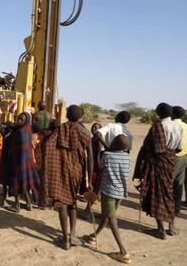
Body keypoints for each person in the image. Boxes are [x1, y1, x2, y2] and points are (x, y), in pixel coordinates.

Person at [43, 105, 93, 250]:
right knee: (72, 202)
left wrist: (52, 164)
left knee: (62, 203)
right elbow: (90, 158)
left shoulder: (59, 129)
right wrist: (89, 179)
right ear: (80, 117)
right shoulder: (85, 132)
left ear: (66, 115)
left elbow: (47, 146)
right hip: (76, 171)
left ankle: (65, 239)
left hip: (60, 170)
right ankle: (72, 235)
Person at [133, 103, 183, 240]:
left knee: (156, 193)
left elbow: (147, 146)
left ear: (157, 113)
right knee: (169, 192)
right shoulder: (178, 127)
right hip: (170, 162)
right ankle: (171, 227)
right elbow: (179, 148)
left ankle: (161, 230)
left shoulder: (156, 127)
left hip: (157, 164)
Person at [85, 135, 131, 264]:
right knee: (107, 215)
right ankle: (94, 236)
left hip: (109, 192)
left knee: (111, 219)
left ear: (114, 144)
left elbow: (100, 172)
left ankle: (123, 252)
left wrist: (95, 191)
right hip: (120, 193)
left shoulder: (107, 156)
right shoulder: (127, 157)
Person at [0, 112, 40, 212]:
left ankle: (17, 205)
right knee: (25, 185)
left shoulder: (19, 133)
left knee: (16, 184)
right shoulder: (27, 130)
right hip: (27, 163)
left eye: (21, 119)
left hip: (17, 163)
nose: (19, 121)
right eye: (18, 119)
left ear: (26, 121)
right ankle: (29, 204)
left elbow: (14, 148)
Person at [80, 122, 103, 219]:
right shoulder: (92, 138)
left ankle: (88, 210)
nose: (93, 129)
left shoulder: (97, 139)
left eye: (96, 127)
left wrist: (96, 165)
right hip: (91, 165)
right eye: (93, 127)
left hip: (94, 166)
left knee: (92, 187)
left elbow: (97, 153)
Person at [172, 106, 187, 214]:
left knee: (167, 183)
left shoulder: (168, 126)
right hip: (184, 158)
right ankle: (176, 208)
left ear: (172, 114)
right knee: (179, 183)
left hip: (171, 157)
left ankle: (165, 207)